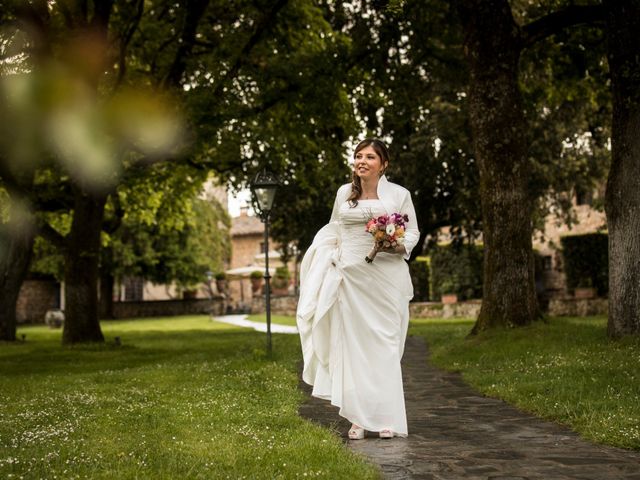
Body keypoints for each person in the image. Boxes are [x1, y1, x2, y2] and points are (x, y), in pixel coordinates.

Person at [296, 138, 420, 439]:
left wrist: (395, 244)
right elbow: (334, 230)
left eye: (369, 157)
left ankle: (386, 416)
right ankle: (358, 418)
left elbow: (412, 231)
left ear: (383, 164)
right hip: (349, 280)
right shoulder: (344, 194)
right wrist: (328, 260)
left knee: (385, 348)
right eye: (358, 156)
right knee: (353, 349)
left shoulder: (399, 195)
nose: (361, 161)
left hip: (385, 279)